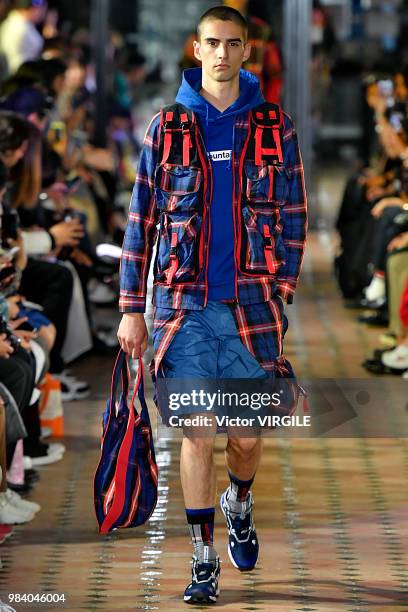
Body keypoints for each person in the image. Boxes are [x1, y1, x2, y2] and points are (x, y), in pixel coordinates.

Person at [117, 5, 307, 605]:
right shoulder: (167, 128)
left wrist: (282, 292)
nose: (222, 53)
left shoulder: (275, 127)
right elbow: (139, 221)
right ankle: (202, 558)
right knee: (197, 433)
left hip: (253, 310)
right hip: (183, 308)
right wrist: (130, 307)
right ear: (195, 51)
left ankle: (239, 502)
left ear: (246, 51)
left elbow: (297, 218)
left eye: (232, 43)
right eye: (211, 43)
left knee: (246, 439)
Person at [0, 0, 47, 77]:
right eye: (43, 10)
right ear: (34, 8)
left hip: (25, 74)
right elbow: (13, 60)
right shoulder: (17, 26)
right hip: (18, 77)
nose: (43, 14)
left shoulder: (22, 23)